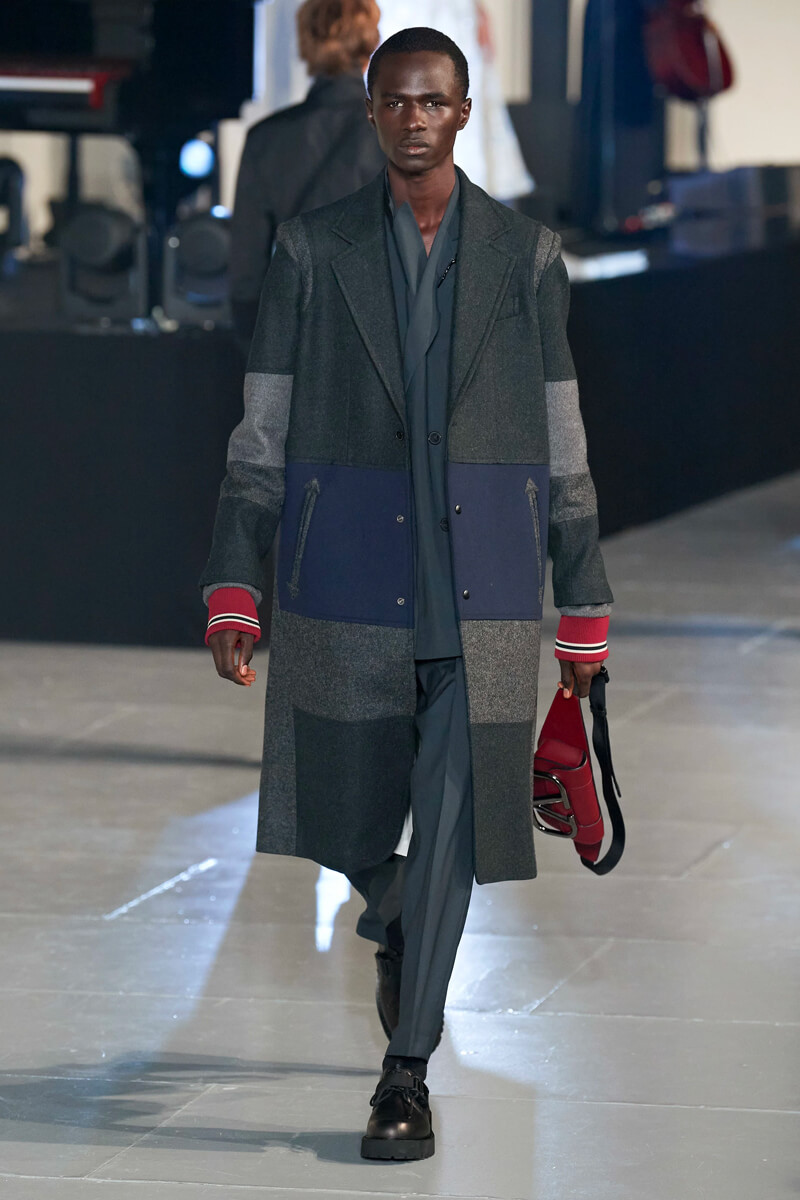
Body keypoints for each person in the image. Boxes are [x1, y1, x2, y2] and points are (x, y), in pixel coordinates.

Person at [201, 26, 612, 1162]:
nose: (414, 117)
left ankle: (404, 1073)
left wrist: (582, 600)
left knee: (453, 825)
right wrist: (234, 578)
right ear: (372, 110)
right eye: (396, 100)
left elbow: (563, 437)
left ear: (463, 111)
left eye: (434, 100)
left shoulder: (525, 256)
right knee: (339, 812)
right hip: (344, 577)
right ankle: (393, 913)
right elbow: (261, 431)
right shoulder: (312, 250)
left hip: (483, 591)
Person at [229, 0, 386, 349]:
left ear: (306, 44)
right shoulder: (395, 134)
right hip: (380, 344)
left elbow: (246, 273)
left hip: (297, 339)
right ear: (371, 43)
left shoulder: (265, 138)